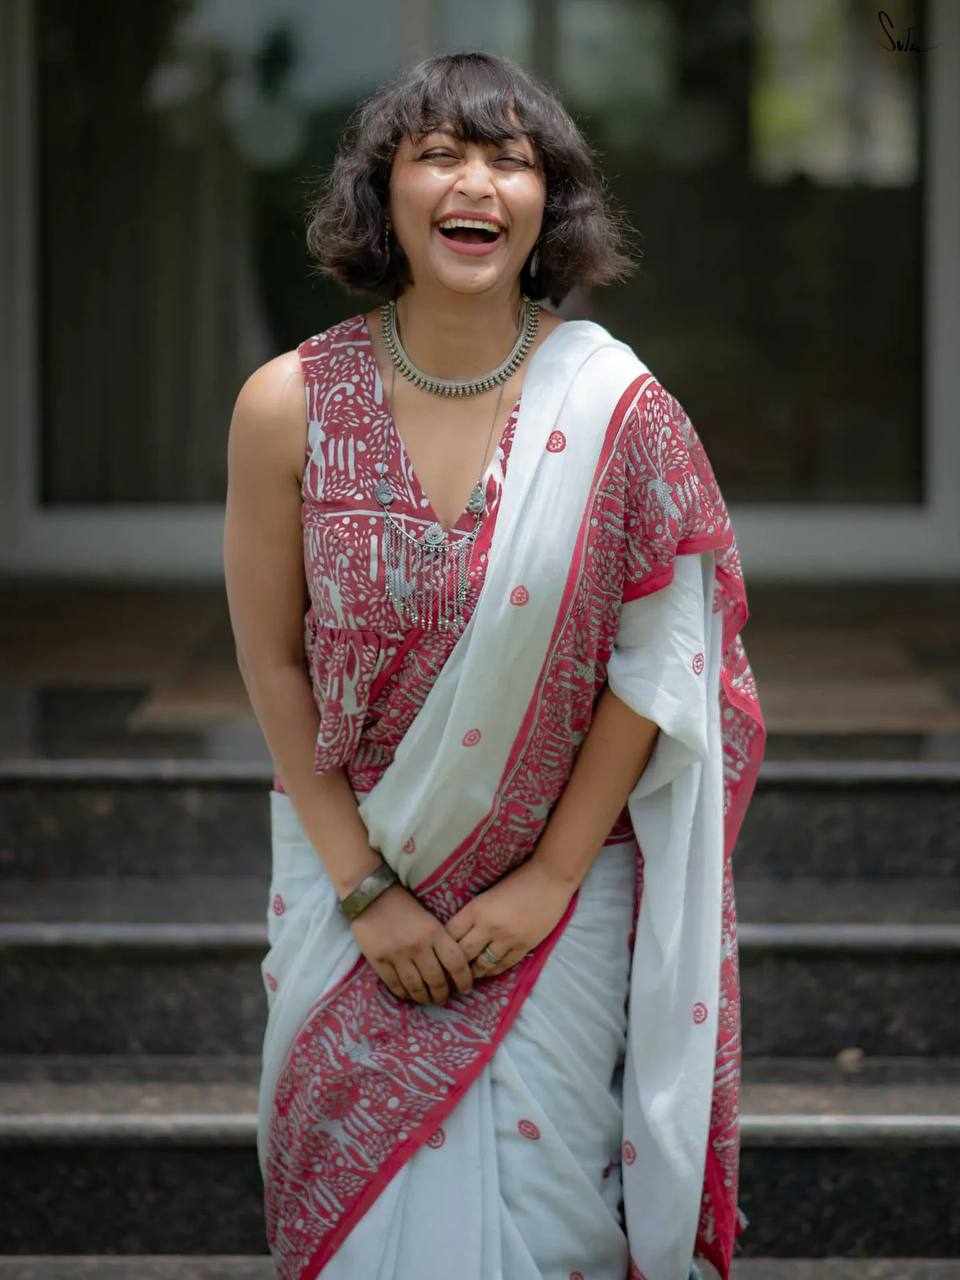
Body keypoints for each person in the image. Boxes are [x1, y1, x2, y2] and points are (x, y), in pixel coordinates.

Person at [223, 51, 766, 1280]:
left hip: (557, 900)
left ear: (546, 203)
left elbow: (661, 661)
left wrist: (550, 878)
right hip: (349, 866)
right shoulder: (286, 404)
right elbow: (271, 658)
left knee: (552, 1218)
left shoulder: (620, 408)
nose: (475, 183)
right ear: (384, 194)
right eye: (439, 155)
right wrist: (364, 888)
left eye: (509, 160)